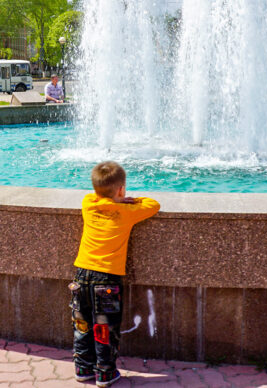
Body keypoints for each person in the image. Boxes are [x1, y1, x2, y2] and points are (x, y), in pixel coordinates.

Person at [70, 161, 160, 387]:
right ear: (121, 189)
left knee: (81, 325)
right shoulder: (127, 212)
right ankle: (105, 373)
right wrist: (125, 201)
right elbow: (153, 204)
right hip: (106, 279)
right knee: (104, 329)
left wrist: (112, 197)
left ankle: (82, 367)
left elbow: (94, 196)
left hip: (81, 275)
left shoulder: (88, 204)